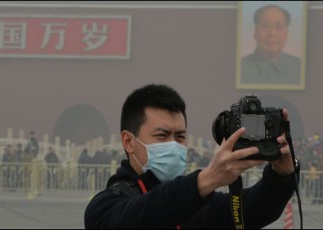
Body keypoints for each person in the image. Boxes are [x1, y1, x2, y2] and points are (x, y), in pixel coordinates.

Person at [84, 84, 298, 228]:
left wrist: (281, 174)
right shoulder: (104, 209)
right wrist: (208, 179)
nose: (174, 145)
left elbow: (253, 210)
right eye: (162, 135)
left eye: (180, 136)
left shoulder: (199, 203)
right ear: (129, 142)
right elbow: (147, 212)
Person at [240, 4, 301, 85]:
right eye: (265, 26)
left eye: (278, 26)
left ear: (286, 33)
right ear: (255, 32)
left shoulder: (299, 67)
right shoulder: (240, 67)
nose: (272, 33)